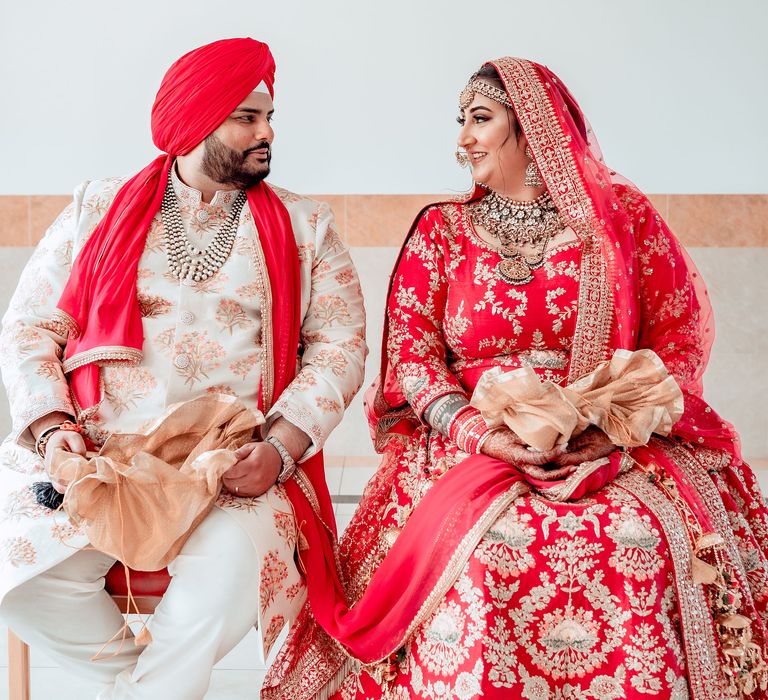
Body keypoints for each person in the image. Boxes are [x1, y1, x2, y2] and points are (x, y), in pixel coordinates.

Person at [262, 57, 768, 699]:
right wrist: (484, 434)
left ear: (533, 129)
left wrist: (613, 429)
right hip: (475, 440)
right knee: (487, 546)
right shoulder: (441, 232)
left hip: (611, 440)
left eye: (480, 120)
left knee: (639, 533)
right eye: (461, 122)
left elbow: (678, 336)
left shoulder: (624, 221)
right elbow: (413, 357)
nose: (462, 139)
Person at [0, 37, 366, 698]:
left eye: (269, 117)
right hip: (101, 455)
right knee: (18, 579)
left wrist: (281, 449)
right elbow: (31, 327)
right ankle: (142, 690)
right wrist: (55, 431)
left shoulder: (306, 226)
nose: (267, 132)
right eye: (247, 117)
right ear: (197, 119)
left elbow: (339, 348)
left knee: (228, 576)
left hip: (229, 468)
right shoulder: (96, 208)